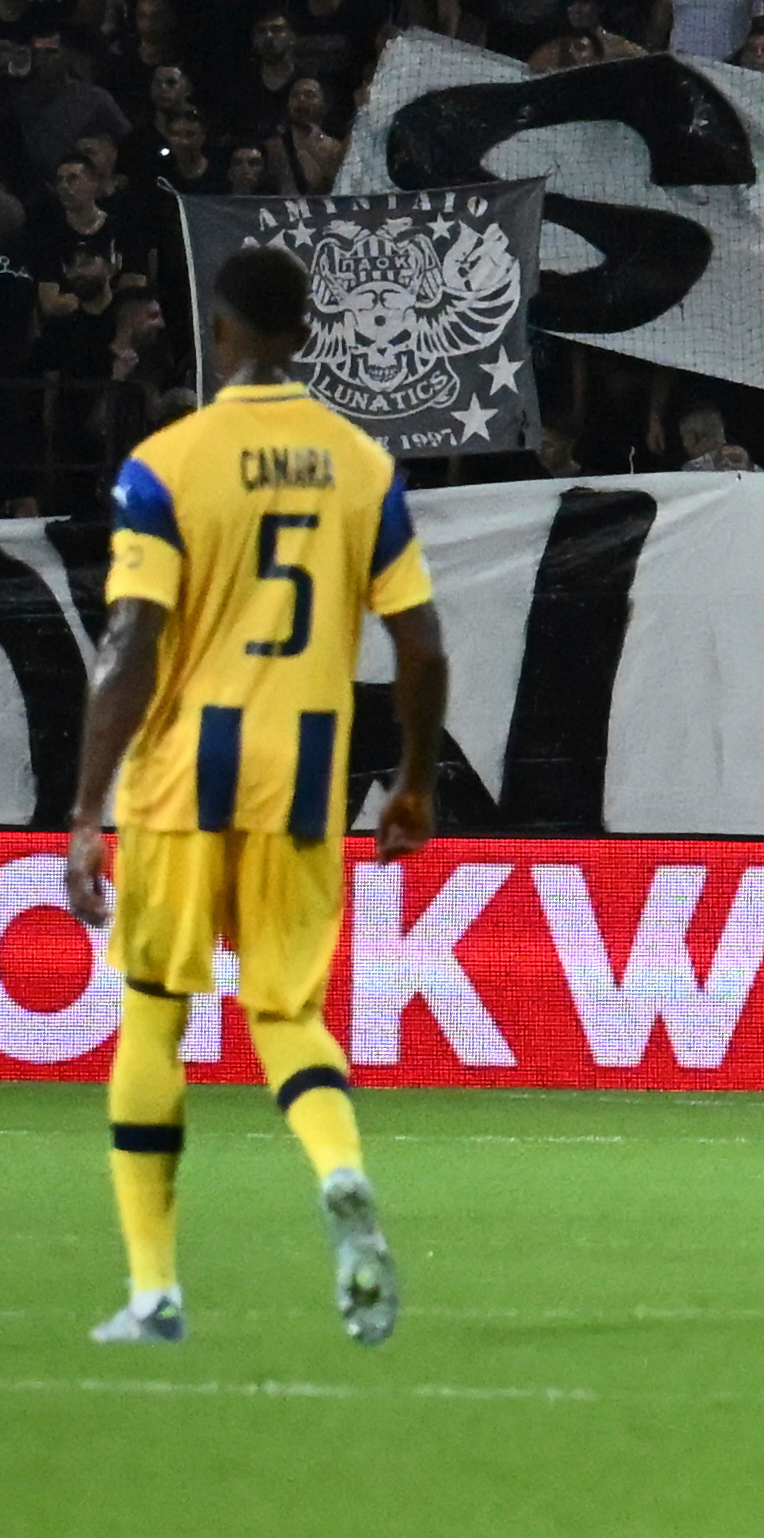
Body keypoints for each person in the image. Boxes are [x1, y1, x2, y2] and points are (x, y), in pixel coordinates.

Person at [64, 242, 443, 1346]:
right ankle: (337, 1172)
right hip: (305, 774)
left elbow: (131, 642)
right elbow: (420, 643)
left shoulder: (168, 463)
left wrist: (87, 808)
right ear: (311, 337)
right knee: (286, 1013)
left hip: (184, 775)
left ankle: (154, 1292)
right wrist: (413, 783)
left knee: (153, 1011)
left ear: (220, 336)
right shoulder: (364, 466)